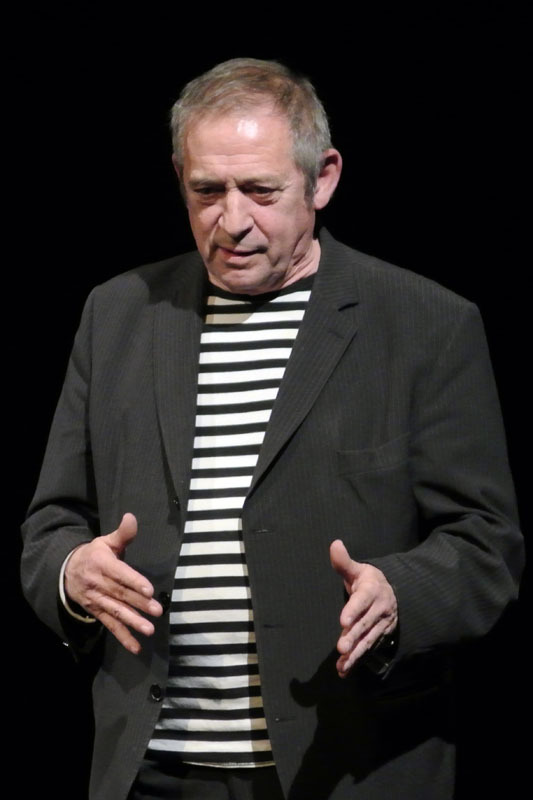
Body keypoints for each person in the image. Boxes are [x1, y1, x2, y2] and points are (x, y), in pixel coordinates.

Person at [21, 58, 523, 800]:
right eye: (207, 191)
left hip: (342, 765)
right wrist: (72, 573)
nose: (231, 220)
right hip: (153, 769)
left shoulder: (424, 325)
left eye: (260, 191)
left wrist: (399, 593)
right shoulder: (118, 314)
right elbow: (50, 525)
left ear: (322, 179)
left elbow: (486, 544)